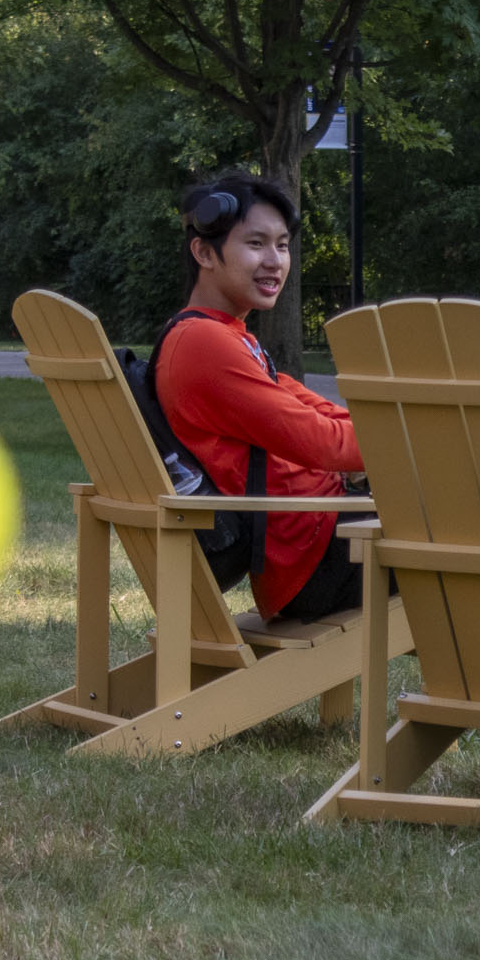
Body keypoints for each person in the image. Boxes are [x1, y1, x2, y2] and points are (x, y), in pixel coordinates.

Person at [151, 170, 369, 623]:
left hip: (323, 536)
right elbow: (323, 443)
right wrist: (418, 443)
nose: (275, 261)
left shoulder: (230, 337)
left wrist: (398, 433)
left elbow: (323, 414)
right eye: (256, 244)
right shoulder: (203, 344)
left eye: (283, 245)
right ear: (204, 253)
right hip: (313, 557)